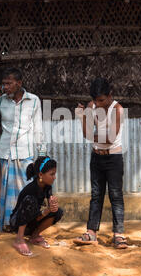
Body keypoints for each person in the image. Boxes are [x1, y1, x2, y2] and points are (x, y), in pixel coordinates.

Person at [0, 67, 46, 232]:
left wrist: (42, 155)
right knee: (4, 196)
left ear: (19, 83)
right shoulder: (1, 100)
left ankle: (26, 227)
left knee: (25, 193)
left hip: (25, 154)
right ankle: (9, 225)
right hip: (4, 154)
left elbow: (38, 128)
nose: (6, 87)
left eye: (9, 84)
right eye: (4, 84)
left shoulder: (34, 101)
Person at [73, 77, 127, 249]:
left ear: (110, 95)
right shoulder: (91, 106)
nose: (98, 103)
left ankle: (118, 235)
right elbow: (86, 133)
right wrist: (83, 118)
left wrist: (91, 132)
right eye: (96, 100)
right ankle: (91, 232)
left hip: (113, 158)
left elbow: (110, 138)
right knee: (96, 195)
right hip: (96, 156)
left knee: (116, 196)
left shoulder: (117, 109)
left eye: (102, 100)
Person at [10, 156, 63, 256]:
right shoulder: (31, 189)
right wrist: (47, 210)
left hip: (32, 220)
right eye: (52, 174)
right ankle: (19, 239)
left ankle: (34, 236)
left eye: (54, 174)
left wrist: (53, 205)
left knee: (58, 212)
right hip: (17, 222)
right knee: (30, 200)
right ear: (40, 175)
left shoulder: (47, 187)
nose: (54, 177)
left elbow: (46, 210)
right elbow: (35, 213)